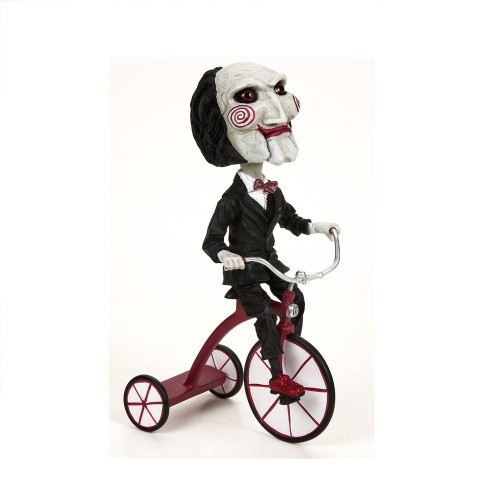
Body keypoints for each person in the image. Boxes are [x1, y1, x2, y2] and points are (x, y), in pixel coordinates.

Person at [190, 62, 339, 402]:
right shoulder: (231, 200)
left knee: (295, 297)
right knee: (264, 314)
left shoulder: (272, 190)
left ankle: (288, 348)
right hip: (244, 269)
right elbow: (211, 240)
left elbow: (289, 219)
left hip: (268, 261)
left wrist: (317, 227)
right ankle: (276, 375)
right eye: (248, 96)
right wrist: (225, 255)